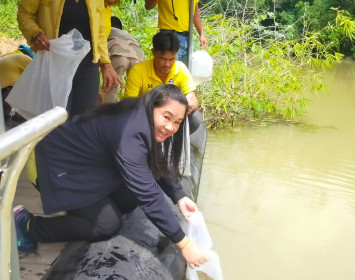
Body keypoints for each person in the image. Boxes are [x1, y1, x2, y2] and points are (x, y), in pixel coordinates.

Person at [13, 85, 209, 269]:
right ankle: (27, 225)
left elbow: (155, 159)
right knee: (106, 225)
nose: (170, 127)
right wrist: (184, 244)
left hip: (86, 166)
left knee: (129, 198)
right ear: (152, 107)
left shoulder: (142, 117)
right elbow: (149, 195)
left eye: (177, 122)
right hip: (53, 165)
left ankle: (80, 211)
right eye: (166, 117)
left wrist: (179, 195)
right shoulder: (131, 131)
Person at [17, 0, 120, 118]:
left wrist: (106, 65)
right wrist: (35, 34)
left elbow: (100, 30)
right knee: (56, 122)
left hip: (87, 68)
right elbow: (24, 13)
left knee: (83, 122)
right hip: (55, 66)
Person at [125, 31, 198, 116]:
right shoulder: (137, 71)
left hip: (172, 117)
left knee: (195, 116)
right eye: (163, 59)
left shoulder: (181, 69)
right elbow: (128, 106)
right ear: (153, 52)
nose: (167, 64)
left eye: (171, 59)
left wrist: (191, 100)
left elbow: (192, 97)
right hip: (145, 117)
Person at [145, 0, 207, 66]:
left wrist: (201, 33)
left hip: (188, 38)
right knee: (170, 71)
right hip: (169, 37)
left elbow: (195, 10)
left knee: (185, 72)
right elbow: (148, 6)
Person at [100, 16, 145, 104]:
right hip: (139, 56)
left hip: (119, 53)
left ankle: (110, 114)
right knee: (136, 91)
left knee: (111, 88)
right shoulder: (126, 34)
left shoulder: (105, 29)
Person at [0, 52, 32, 126]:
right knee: (31, 89)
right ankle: (19, 118)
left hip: (3, 89)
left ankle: (4, 115)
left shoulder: (13, 57)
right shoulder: (30, 62)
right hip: (5, 89)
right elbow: (34, 83)